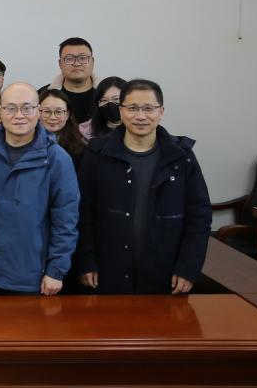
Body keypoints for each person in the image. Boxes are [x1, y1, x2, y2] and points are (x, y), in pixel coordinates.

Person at [76, 79, 212, 295]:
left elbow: (199, 215)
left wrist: (188, 267)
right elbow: (83, 212)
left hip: (166, 273)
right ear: (121, 111)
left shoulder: (181, 156)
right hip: (107, 270)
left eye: (148, 108)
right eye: (132, 108)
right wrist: (86, 261)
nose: (140, 116)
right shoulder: (97, 153)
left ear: (161, 112)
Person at [0, 83, 79, 295]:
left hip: (33, 276)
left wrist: (56, 271)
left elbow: (66, 220)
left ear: (38, 111)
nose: (19, 115)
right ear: (0, 111)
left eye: (27, 108)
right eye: (11, 108)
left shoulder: (57, 158)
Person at [41, 37, 99, 124]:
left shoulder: (108, 95)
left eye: (83, 58)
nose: (77, 64)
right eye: (69, 59)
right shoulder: (42, 96)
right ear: (60, 64)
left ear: (92, 62)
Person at [38, 89, 87, 169]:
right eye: (46, 111)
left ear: (67, 115)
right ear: (37, 112)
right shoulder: (26, 143)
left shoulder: (80, 149)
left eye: (58, 112)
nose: (52, 117)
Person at [78, 76, 127, 142]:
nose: (110, 104)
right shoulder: (85, 131)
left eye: (116, 99)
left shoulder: (139, 127)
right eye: (104, 100)